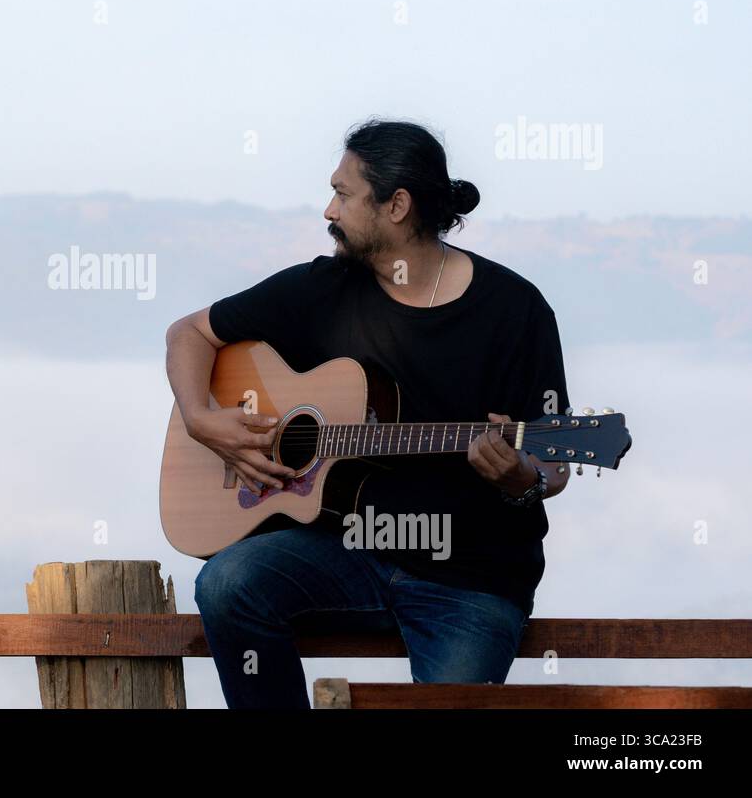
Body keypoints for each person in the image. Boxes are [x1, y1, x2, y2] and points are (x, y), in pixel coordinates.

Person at [163, 118, 572, 708]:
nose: (329, 209)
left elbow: (553, 462)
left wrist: (520, 479)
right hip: (346, 551)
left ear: (397, 205)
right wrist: (203, 419)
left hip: (470, 580)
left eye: (344, 194)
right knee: (228, 584)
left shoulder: (515, 311)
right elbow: (189, 333)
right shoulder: (322, 289)